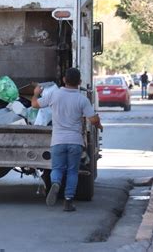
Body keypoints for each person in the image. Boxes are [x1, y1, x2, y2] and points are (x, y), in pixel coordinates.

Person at [31, 68, 103, 212]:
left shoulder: (54, 95)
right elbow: (93, 119)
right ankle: (68, 200)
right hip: (75, 141)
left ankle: (56, 183)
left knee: (57, 168)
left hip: (58, 140)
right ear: (80, 82)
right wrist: (99, 125)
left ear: (64, 80)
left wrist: (35, 93)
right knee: (72, 171)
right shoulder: (82, 99)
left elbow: (34, 104)